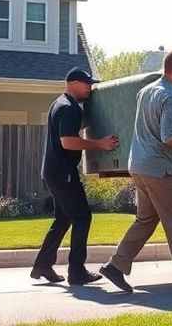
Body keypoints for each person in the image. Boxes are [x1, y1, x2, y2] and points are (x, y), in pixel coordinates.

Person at [99, 50, 172, 293]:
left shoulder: (146, 91)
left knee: (146, 219)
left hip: (139, 165)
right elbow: (169, 137)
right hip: (159, 169)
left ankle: (116, 265)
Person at [31, 68, 119, 285]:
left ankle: (42, 265)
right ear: (72, 83)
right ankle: (77, 272)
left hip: (54, 171)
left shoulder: (58, 103)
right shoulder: (69, 108)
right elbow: (67, 141)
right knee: (82, 217)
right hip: (63, 173)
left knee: (63, 219)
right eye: (86, 83)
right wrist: (100, 144)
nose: (90, 87)